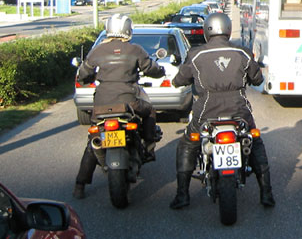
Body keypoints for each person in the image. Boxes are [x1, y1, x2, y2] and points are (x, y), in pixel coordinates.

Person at [169, 12, 275, 209]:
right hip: (239, 110)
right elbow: (258, 79)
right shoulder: (242, 52)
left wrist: (176, 81)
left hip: (205, 111)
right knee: (255, 142)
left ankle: (182, 195)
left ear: (206, 31)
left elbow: (180, 79)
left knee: (187, 143)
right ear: (227, 29)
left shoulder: (196, 54)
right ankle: (266, 193)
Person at [72, 14, 165, 199]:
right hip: (129, 102)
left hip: (101, 105)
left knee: (94, 140)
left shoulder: (97, 51)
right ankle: (147, 147)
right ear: (128, 30)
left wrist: (89, 78)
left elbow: (82, 74)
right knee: (150, 110)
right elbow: (151, 69)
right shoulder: (135, 50)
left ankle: (79, 186)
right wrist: (160, 70)